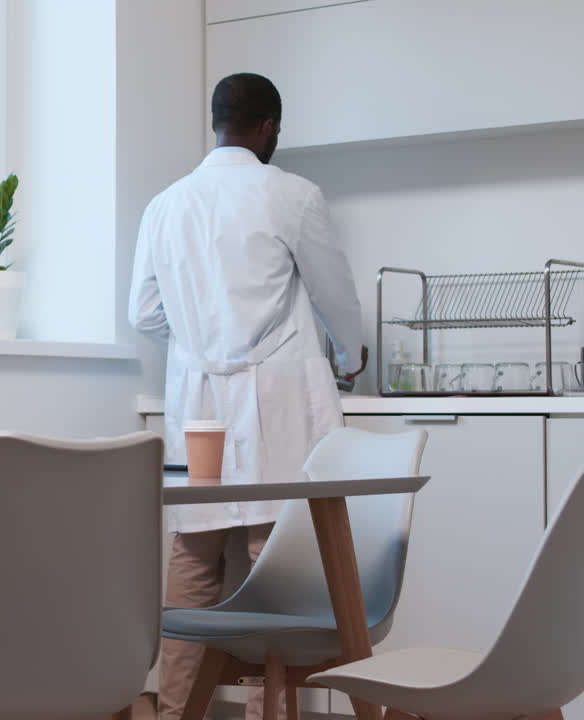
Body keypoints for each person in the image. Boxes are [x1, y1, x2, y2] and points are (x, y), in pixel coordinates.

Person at [128, 73, 367, 720]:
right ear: (268, 127)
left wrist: (200, 345)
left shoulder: (165, 205)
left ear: (217, 123)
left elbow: (143, 313)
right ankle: (282, 712)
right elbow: (333, 292)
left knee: (194, 563)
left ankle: (175, 711)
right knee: (277, 563)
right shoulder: (292, 195)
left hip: (197, 407)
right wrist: (351, 354)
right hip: (279, 406)